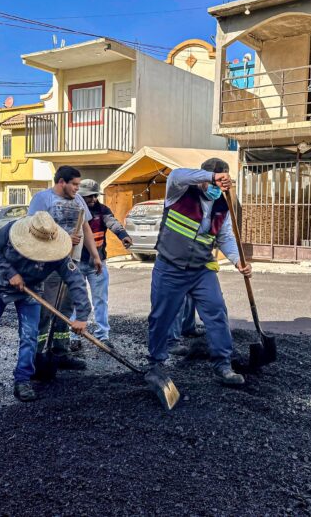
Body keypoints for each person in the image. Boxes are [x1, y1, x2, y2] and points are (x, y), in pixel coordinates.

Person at [0, 211, 92, 402]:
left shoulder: (58, 250)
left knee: (29, 335)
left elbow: (75, 281)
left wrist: (82, 316)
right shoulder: (9, 230)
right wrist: (10, 273)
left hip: (31, 290)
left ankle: (23, 379)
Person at [146, 159, 251, 387]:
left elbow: (225, 237)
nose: (217, 187)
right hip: (170, 267)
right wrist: (210, 177)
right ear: (204, 178)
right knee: (161, 316)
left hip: (202, 269)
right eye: (215, 180)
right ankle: (156, 363)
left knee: (216, 312)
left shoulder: (222, 206)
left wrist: (237, 261)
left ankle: (223, 364)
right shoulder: (179, 191)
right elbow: (177, 174)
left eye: (223, 181)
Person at [28, 166, 102, 370]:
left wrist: (95, 256)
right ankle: (38, 355)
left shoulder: (77, 200)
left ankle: (60, 352)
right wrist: (63, 238)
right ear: (62, 182)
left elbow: (86, 227)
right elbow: (33, 228)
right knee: (47, 308)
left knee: (65, 308)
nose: (78, 189)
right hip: (49, 262)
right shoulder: (43, 199)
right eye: (75, 184)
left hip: (72, 261)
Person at [70, 179, 132, 346]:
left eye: (94, 196)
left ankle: (102, 335)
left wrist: (123, 235)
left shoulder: (102, 210)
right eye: (88, 197)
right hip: (75, 263)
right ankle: (73, 337)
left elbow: (113, 223)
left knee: (100, 300)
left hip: (97, 263)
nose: (92, 199)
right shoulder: (74, 210)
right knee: (75, 300)